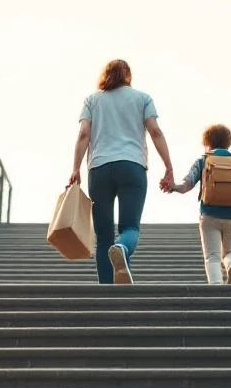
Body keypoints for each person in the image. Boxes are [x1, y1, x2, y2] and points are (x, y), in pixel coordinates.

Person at [68, 59, 175, 285]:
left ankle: (106, 290)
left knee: (103, 234)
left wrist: (75, 168)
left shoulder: (92, 100)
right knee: (129, 227)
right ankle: (123, 248)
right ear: (128, 75)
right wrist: (168, 166)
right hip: (132, 166)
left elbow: (83, 134)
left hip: (98, 169)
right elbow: (155, 131)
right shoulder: (143, 98)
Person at [165, 124, 231, 285]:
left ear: (207, 142)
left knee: (212, 256)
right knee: (230, 251)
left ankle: (216, 286)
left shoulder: (204, 160)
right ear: (228, 142)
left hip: (209, 215)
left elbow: (187, 184)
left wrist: (173, 187)